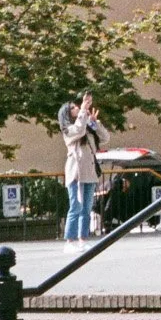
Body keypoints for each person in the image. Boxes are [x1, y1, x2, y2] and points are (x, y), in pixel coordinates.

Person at [61, 93, 108, 246]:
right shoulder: (68, 130)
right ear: (68, 114)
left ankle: (82, 239)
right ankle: (70, 240)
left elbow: (106, 138)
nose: (77, 109)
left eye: (77, 107)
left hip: (90, 172)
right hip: (75, 173)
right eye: (73, 108)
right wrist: (82, 110)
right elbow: (79, 130)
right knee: (75, 206)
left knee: (86, 208)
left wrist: (95, 123)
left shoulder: (87, 127)